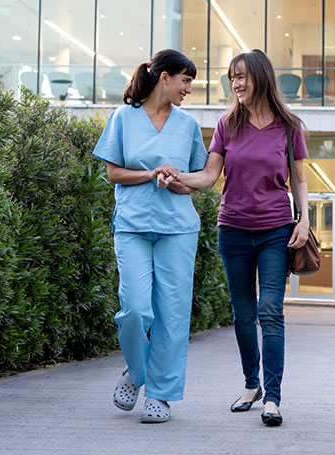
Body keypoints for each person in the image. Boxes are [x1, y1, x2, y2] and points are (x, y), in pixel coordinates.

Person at [174, 49, 309, 427]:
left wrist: (305, 222)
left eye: (243, 76)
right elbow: (208, 176)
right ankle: (252, 386)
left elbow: (299, 180)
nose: (236, 83)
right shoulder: (226, 124)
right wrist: (178, 178)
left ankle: (274, 397)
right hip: (232, 230)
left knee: (270, 310)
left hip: (275, 230)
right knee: (244, 313)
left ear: (261, 78)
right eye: (232, 77)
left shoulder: (289, 127)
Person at [92, 49, 208, 423]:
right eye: (185, 80)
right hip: (133, 226)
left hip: (178, 228)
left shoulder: (188, 125)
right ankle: (138, 373)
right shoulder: (123, 118)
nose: (189, 88)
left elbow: (195, 181)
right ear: (164, 78)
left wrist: (176, 183)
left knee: (172, 316)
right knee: (136, 309)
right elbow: (113, 173)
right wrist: (150, 173)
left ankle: (160, 394)